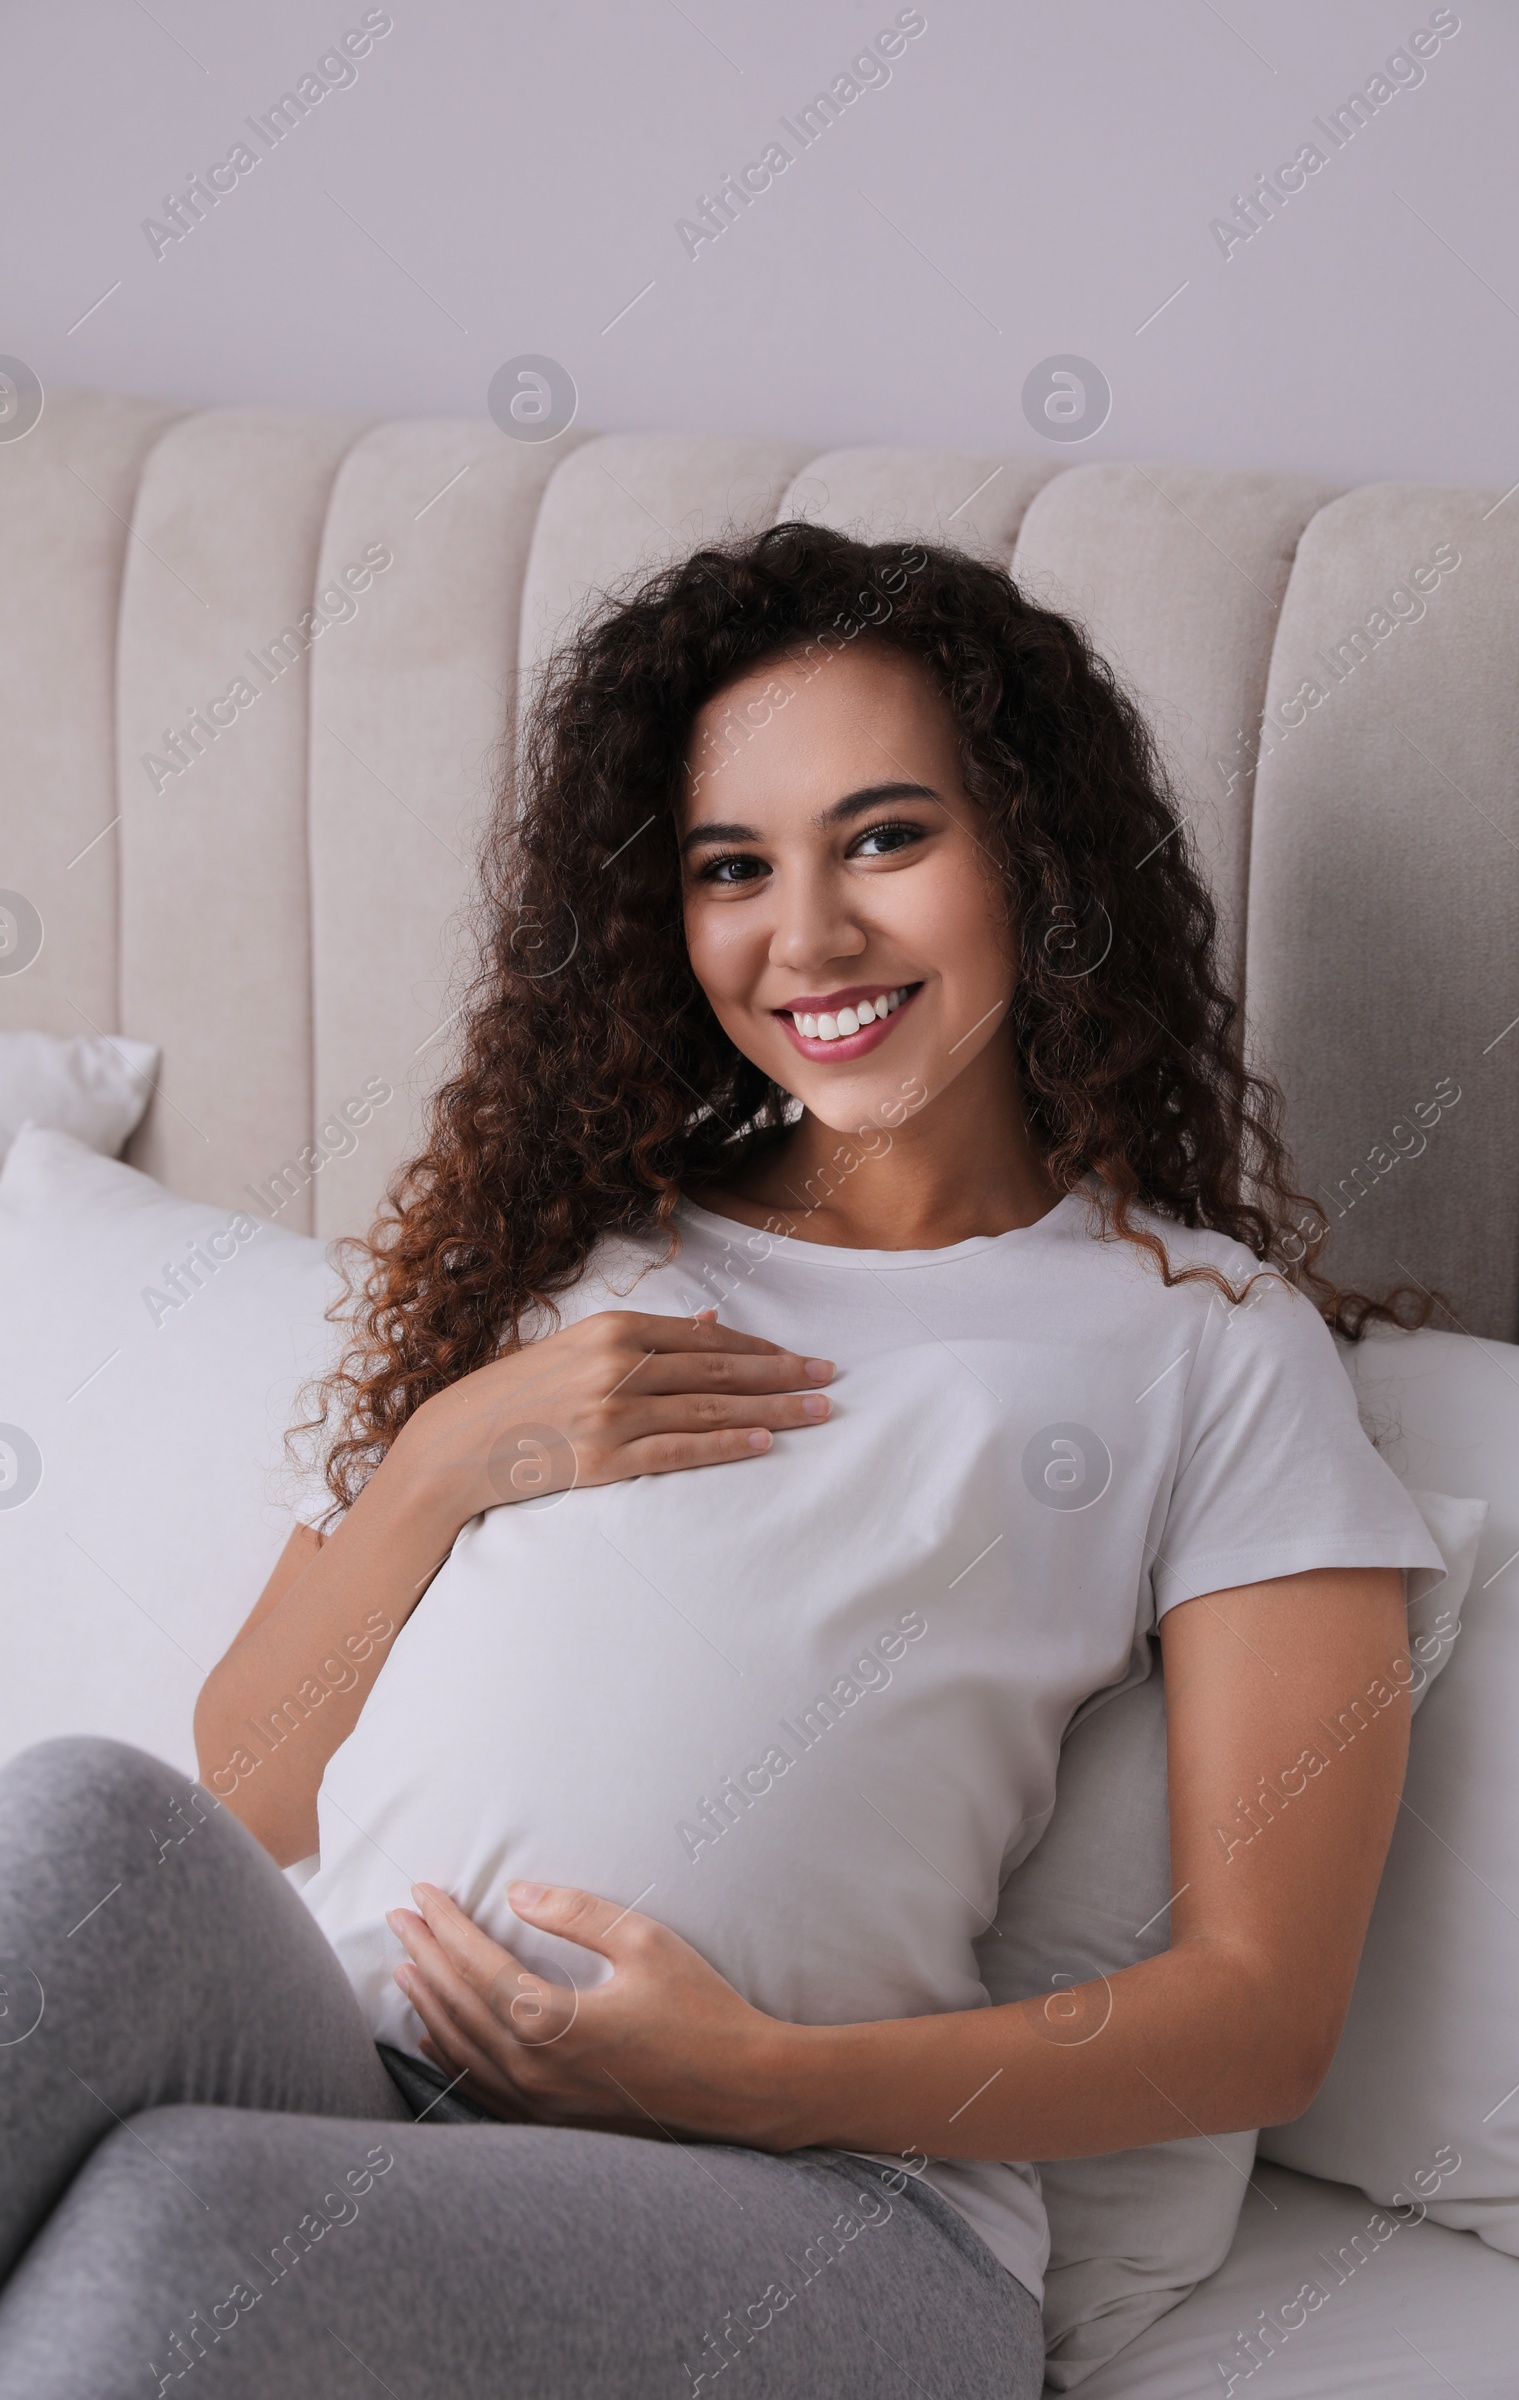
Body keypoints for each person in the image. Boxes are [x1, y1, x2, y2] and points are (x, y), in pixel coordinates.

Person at [0, 524, 1443, 2398]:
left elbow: (1267, 2016)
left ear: (1039, 856)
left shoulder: (1205, 1347)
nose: (809, 936)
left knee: (173, 2233)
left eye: (888, 837)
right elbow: (253, 1783)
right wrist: (449, 1455)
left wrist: (756, 2079)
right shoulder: (578, 1255)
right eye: (732, 869)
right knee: (92, 1827)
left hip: (824, 2208)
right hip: (359, 2066)